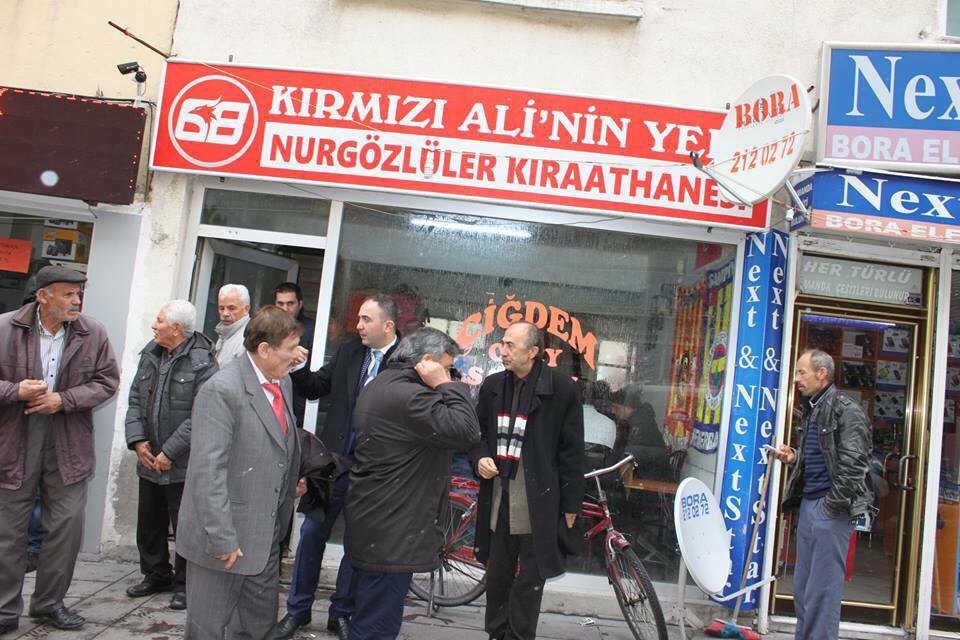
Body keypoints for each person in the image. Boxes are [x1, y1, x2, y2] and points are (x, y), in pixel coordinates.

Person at [176, 306, 345, 640]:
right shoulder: (221, 390)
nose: (297, 356)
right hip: (223, 539)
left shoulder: (283, 382)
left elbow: (279, 442)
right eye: (291, 348)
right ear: (265, 349)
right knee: (208, 630)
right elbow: (207, 471)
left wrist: (290, 480)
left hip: (264, 537)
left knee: (257, 628)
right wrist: (222, 537)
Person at [0, 266, 120, 632]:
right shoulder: (5, 328)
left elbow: (107, 382)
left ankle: (49, 604)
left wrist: (63, 400)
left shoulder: (92, 332)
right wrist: (15, 391)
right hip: (14, 437)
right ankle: (4, 611)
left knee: (66, 528)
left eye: (78, 294)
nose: (76, 301)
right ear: (43, 296)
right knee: (8, 530)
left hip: (69, 439)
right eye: (68, 294)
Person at [275, 294, 400, 640]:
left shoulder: (407, 360)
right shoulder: (349, 351)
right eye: (358, 318)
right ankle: (297, 611)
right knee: (311, 535)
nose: (358, 326)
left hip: (375, 472)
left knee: (356, 545)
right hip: (332, 465)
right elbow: (317, 387)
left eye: (366, 319)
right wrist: (298, 369)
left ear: (388, 325)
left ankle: (341, 613)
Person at [344, 328, 480, 639]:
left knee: (373, 612)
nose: (451, 374)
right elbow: (467, 431)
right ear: (428, 361)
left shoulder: (384, 383)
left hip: (383, 522)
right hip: (392, 528)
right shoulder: (410, 396)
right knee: (376, 622)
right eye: (448, 367)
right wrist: (445, 385)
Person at [470, 321, 585, 640]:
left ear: (534, 351)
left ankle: (519, 635)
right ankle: (496, 633)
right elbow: (477, 434)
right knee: (498, 574)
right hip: (499, 494)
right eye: (503, 343)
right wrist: (479, 457)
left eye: (511, 345)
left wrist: (571, 504)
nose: (503, 351)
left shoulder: (561, 389)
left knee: (530, 579)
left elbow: (572, 451)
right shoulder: (493, 386)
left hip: (540, 498)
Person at [772, 349, 873, 640]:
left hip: (830, 509)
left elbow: (854, 465)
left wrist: (831, 507)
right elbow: (824, 456)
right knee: (804, 588)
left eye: (802, 372)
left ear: (822, 373)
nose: (796, 379)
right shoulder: (814, 408)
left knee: (823, 590)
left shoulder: (847, 409)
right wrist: (795, 457)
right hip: (810, 505)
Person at [124, 301, 218, 610]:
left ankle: (185, 585)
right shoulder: (150, 354)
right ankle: (156, 574)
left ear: (176, 328)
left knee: (186, 526)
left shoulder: (204, 362)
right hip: (149, 457)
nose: (154, 325)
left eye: (160, 320)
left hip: (183, 462)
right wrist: (138, 441)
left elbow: (202, 413)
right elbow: (135, 399)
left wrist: (170, 451)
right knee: (149, 523)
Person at [274, 282, 315, 427]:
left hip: (298, 405)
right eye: (280, 304)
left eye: (290, 303)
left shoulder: (313, 330)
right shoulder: (268, 328)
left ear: (300, 304)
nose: (285, 309)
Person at [212, 283, 251, 366]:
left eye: (232, 308)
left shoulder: (248, 340)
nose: (225, 313)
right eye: (221, 308)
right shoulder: (225, 332)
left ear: (246, 309)